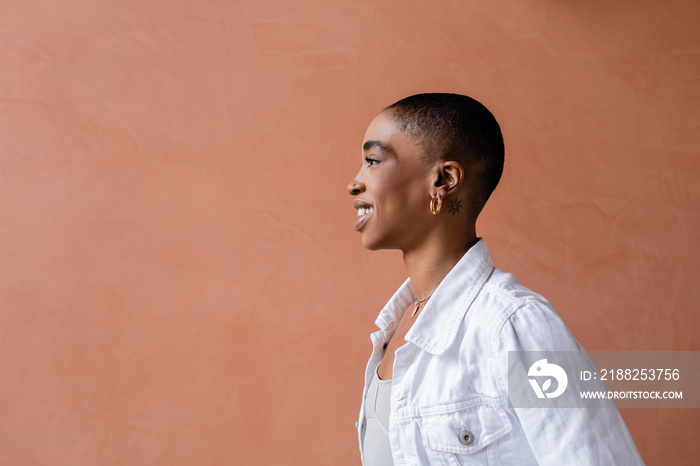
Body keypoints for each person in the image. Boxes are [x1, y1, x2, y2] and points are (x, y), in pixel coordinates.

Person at [346, 93, 643, 465]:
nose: (354, 184)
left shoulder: (515, 326)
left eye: (372, 161)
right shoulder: (395, 330)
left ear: (443, 179)